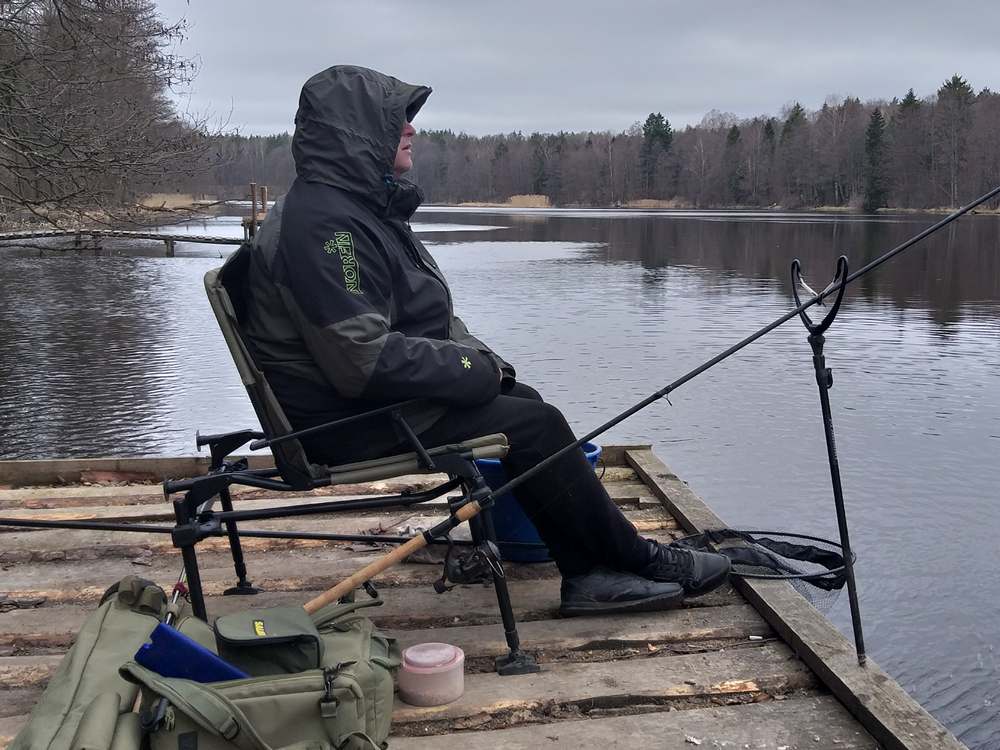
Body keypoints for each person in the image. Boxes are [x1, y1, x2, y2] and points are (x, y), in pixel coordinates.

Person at [243, 65, 730, 616]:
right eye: (396, 119)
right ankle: (628, 560)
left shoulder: (346, 211)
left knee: (527, 408)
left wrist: (485, 366)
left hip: (365, 405)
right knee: (536, 425)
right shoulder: (327, 228)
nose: (410, 130)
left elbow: (412, 325)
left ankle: (594, 569)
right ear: (356, 133)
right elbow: (363, 360)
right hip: (349, 421)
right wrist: (474, 372)